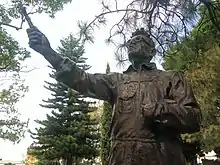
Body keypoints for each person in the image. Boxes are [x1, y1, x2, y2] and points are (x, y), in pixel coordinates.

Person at [27, 27, 201, 165]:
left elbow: (194, 118)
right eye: (130, 41)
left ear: (152, 51)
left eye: (139, 40)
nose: (132, 43)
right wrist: (48, 52)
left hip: (162, 157)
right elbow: (83, 79)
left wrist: (160, 109)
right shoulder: (116, 81)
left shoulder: (171, 78)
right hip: (121, 157)